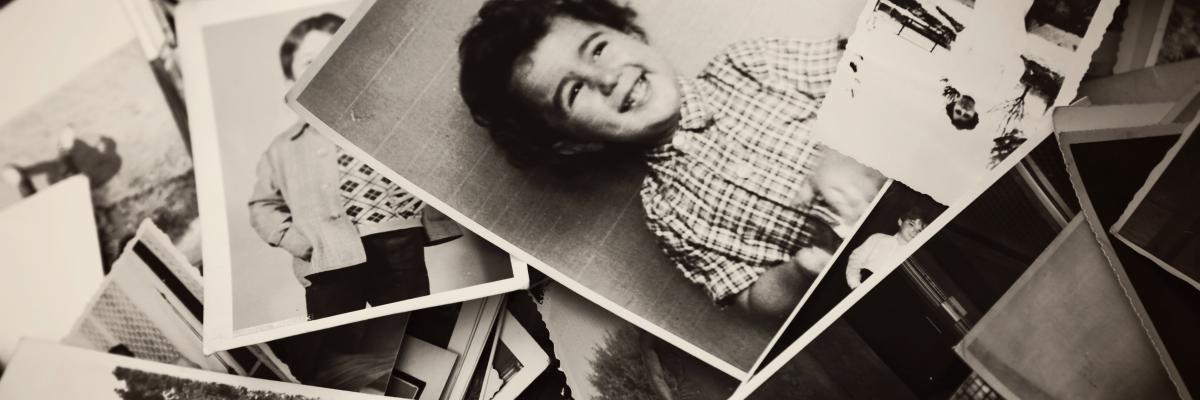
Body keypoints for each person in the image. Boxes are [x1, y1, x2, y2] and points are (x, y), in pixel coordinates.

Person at [458, 0, 885, 321]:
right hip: (870, 273)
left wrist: (841, 151)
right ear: (572, 144)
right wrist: (798, 273)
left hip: (917, 186)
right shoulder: (668, 214)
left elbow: (870, 75)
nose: (607, 78)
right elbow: (750, 297)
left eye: (599, 48)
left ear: (633, 37)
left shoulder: (749, 64)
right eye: (572, 92)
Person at [248, 12, 461, 387]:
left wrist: (425, 216)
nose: (322, 72)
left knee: (418, 334)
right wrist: (293, 240)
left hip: (396, 240)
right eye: (310, 64)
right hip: (327, 255)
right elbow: (262, 205)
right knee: (326, 351)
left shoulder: (389, 120)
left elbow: (433, 160)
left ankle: (431, 385)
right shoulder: (283, 149)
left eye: (334, 57)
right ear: (289, 82)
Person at [844, 205, 932, 289]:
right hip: (859, 281)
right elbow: (855, 259)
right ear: (900, 222)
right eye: (911, 224)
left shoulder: (913, 258)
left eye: (920, 230)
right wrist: (855, 284)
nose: (914, 231)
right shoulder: (878, 238)